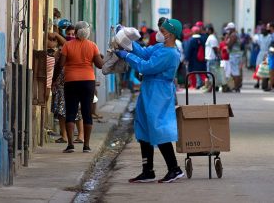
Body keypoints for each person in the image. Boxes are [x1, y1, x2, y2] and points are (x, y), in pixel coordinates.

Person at [116, 18, 184, 183]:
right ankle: (148, 170)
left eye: (164, 31)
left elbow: (147, 66)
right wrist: (127, 41)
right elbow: (145, 52)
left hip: (159, 92)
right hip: (149, 89)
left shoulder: (170, 54)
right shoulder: (161, 47)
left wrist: (127, 56)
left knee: (158, 128)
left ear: (172, 34)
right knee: (144, 128)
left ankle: (174, 168)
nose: (161, 33)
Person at [60, 21, 103, 153]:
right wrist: (103, 58)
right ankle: (87, 146)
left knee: (71, 112)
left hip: (71, 81)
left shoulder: (67, 45)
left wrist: (53, 78)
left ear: (76, 31)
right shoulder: (93, 46)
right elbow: (100, 65)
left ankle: (70, 145)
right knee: (86, 112)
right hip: (88, 81)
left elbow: (60, 64)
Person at [51, 25, 84, 144]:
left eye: (73, 34)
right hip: (61, 81)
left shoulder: (78, 46)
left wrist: (56, 35)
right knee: (61, 109)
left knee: (77, 109)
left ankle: (80, 135)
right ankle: (63, 135)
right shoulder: (61, 48)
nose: (70, 36)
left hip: (75, 80)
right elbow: (58, 65)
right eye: (68, 34)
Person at [225, 22, 243, 92]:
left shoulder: (233, 35)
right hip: (235, 55)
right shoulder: (235, 34)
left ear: (231, 29)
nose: (227, 31)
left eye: (228, 29)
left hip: (234, 55)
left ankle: (236, 87)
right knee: (235, 71)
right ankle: (236, 86)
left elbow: (229, 45)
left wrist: (226, 40)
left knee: (235, 71)